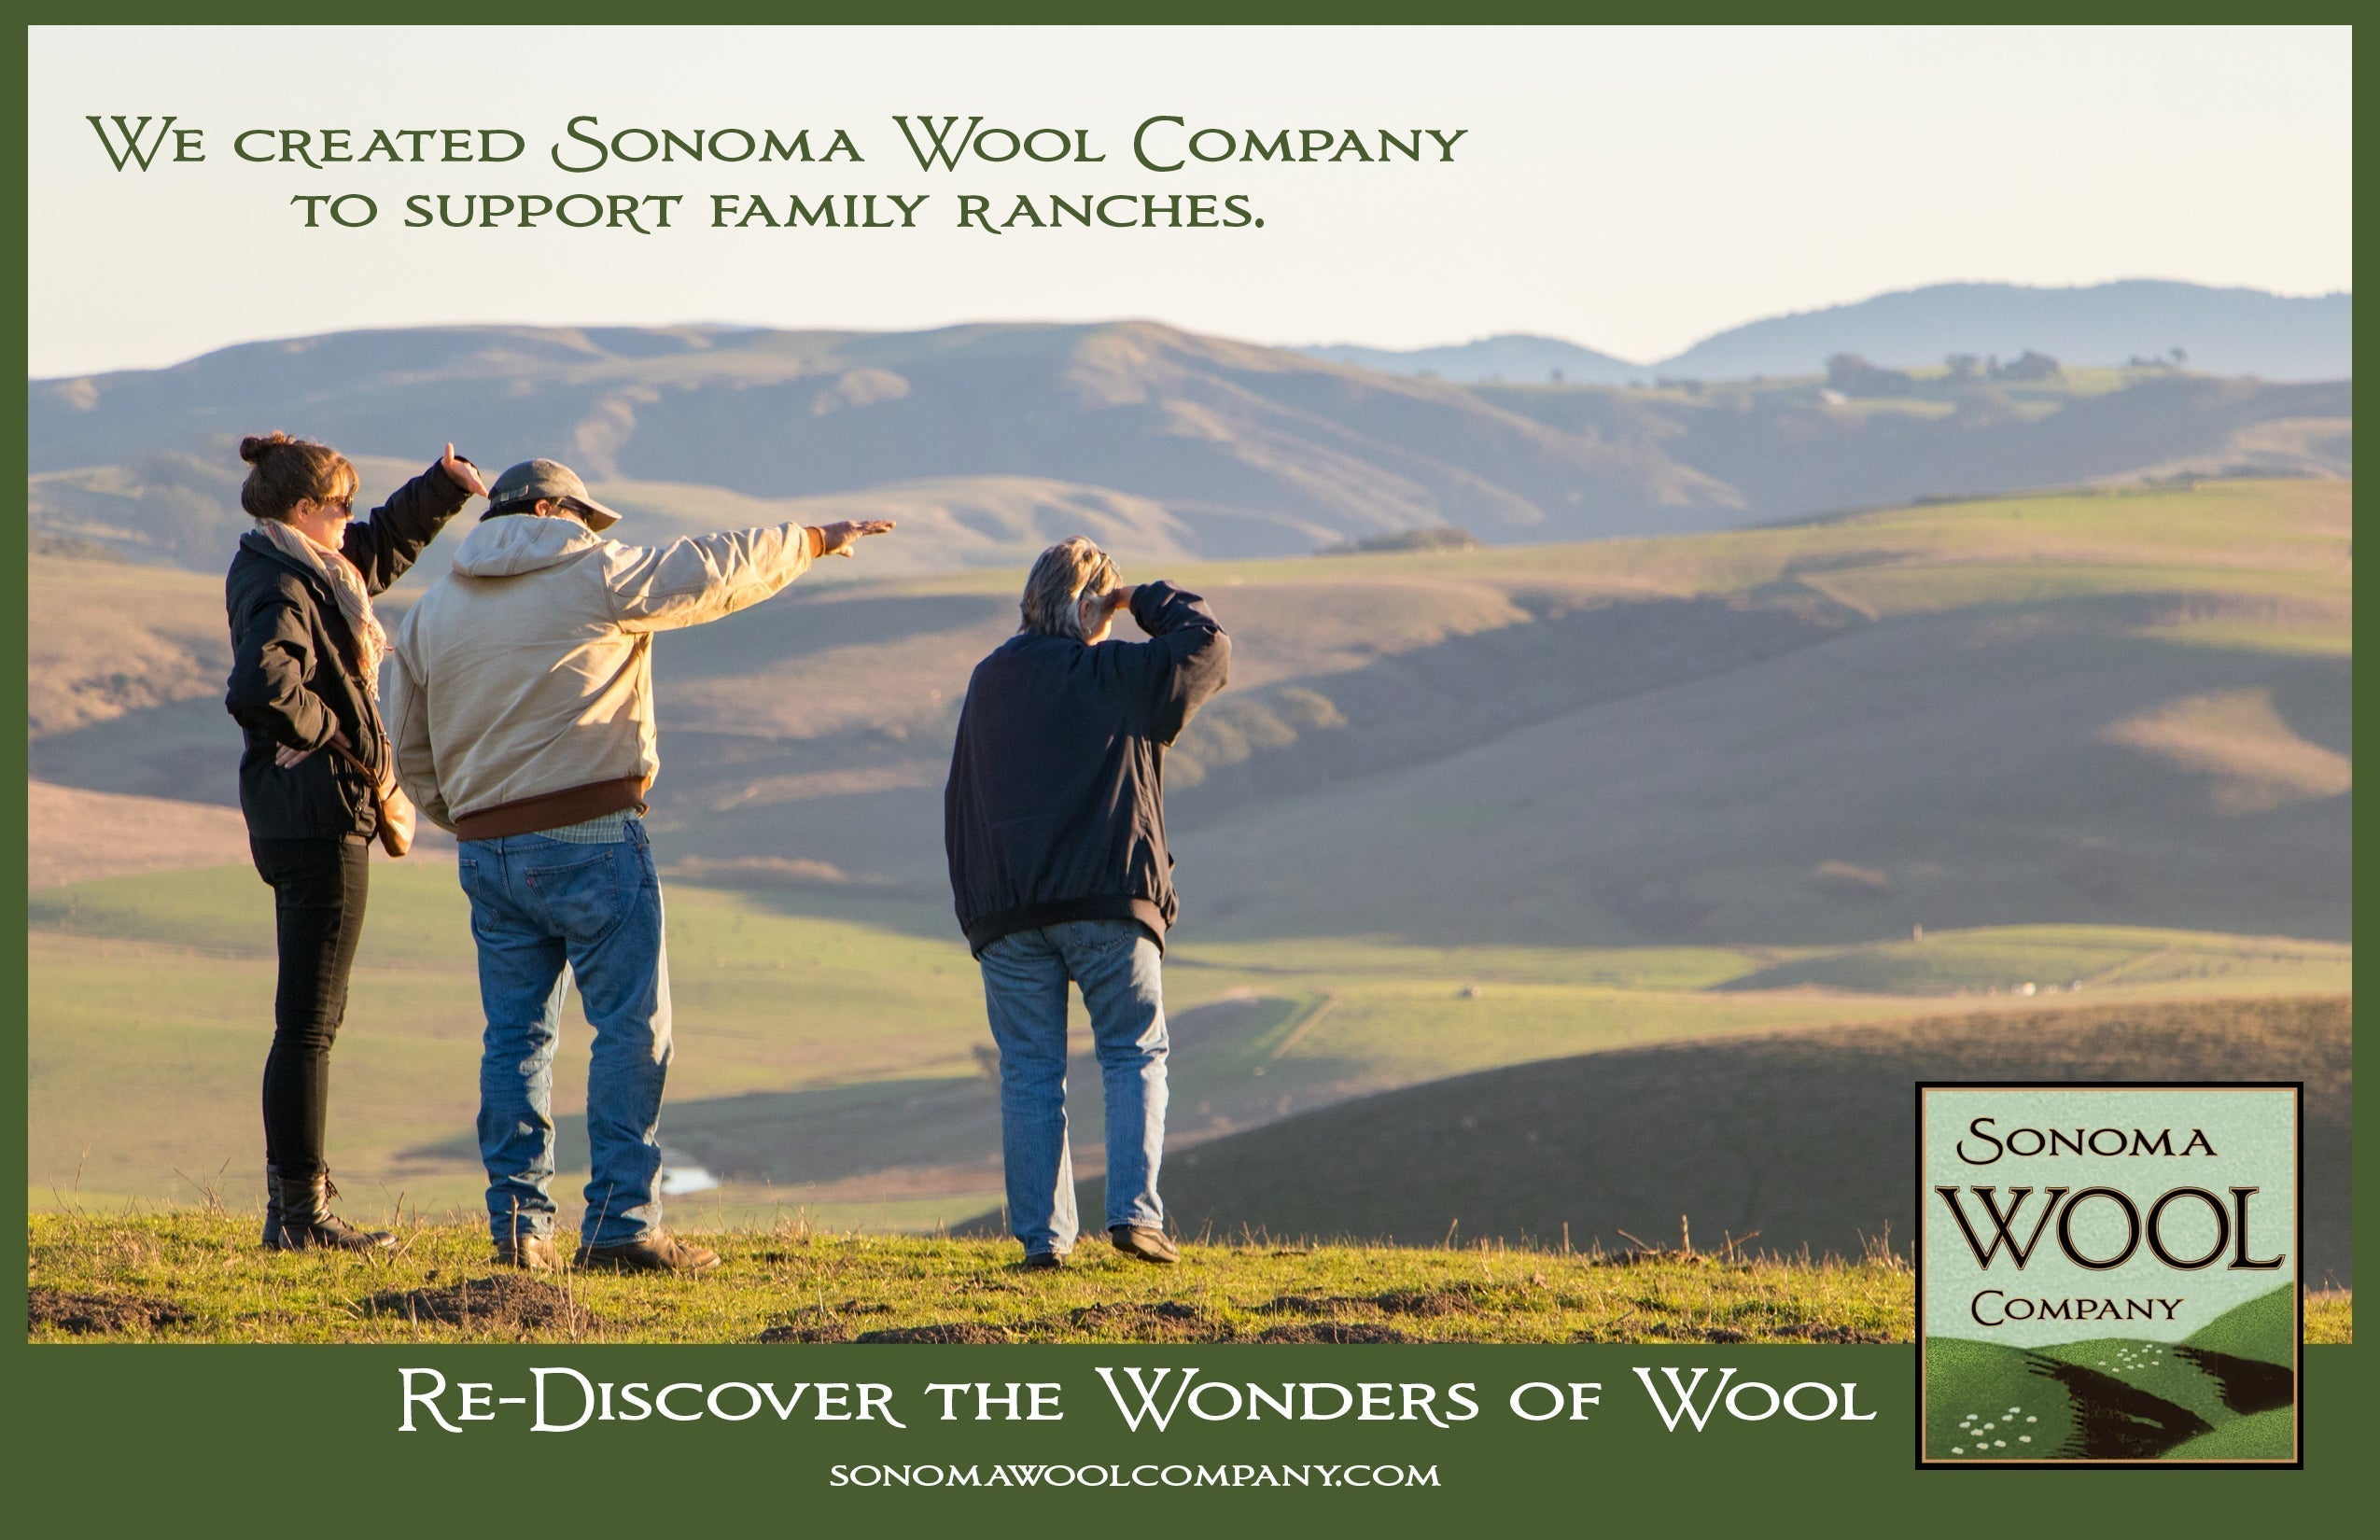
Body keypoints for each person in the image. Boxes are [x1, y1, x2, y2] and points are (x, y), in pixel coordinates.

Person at [386, 457, 893, 1274]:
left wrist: (469, 818)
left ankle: (520, 1227)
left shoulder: (432, 611)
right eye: (583, 515)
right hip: (591, 835)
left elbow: (406, 743)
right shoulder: (595, 573)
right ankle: (622, 1224)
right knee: (629, 1030)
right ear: (550, 508)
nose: (590, 530)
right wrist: (810, 541)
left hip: (488, 848)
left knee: (515, 1038)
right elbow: (714, 567)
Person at [224, 432, 487, 1250]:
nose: (350, 519)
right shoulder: (282, 581)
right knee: (309, 1023)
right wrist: (343, 739)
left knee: (306, 1018)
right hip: (318, 814)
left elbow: (376, 547)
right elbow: (262, 686)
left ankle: (293, 1206)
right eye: (340, 506)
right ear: (305, 510)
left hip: (292, 811)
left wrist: (440, 488)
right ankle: (299, 1214)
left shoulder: (299, 565)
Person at [944, 539, 1230, 1267]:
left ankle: (1044, 1241)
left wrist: (978, 911)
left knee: (1031, 1071)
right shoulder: (1113, 672)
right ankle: (1136, 1216)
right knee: (1134, 1051)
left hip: (1006, 912)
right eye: (1101, 605)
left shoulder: (989, 681)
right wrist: (1144, 599)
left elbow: (959, 796)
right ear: (1086, 605)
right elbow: (1207, 650)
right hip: (1107, 899)